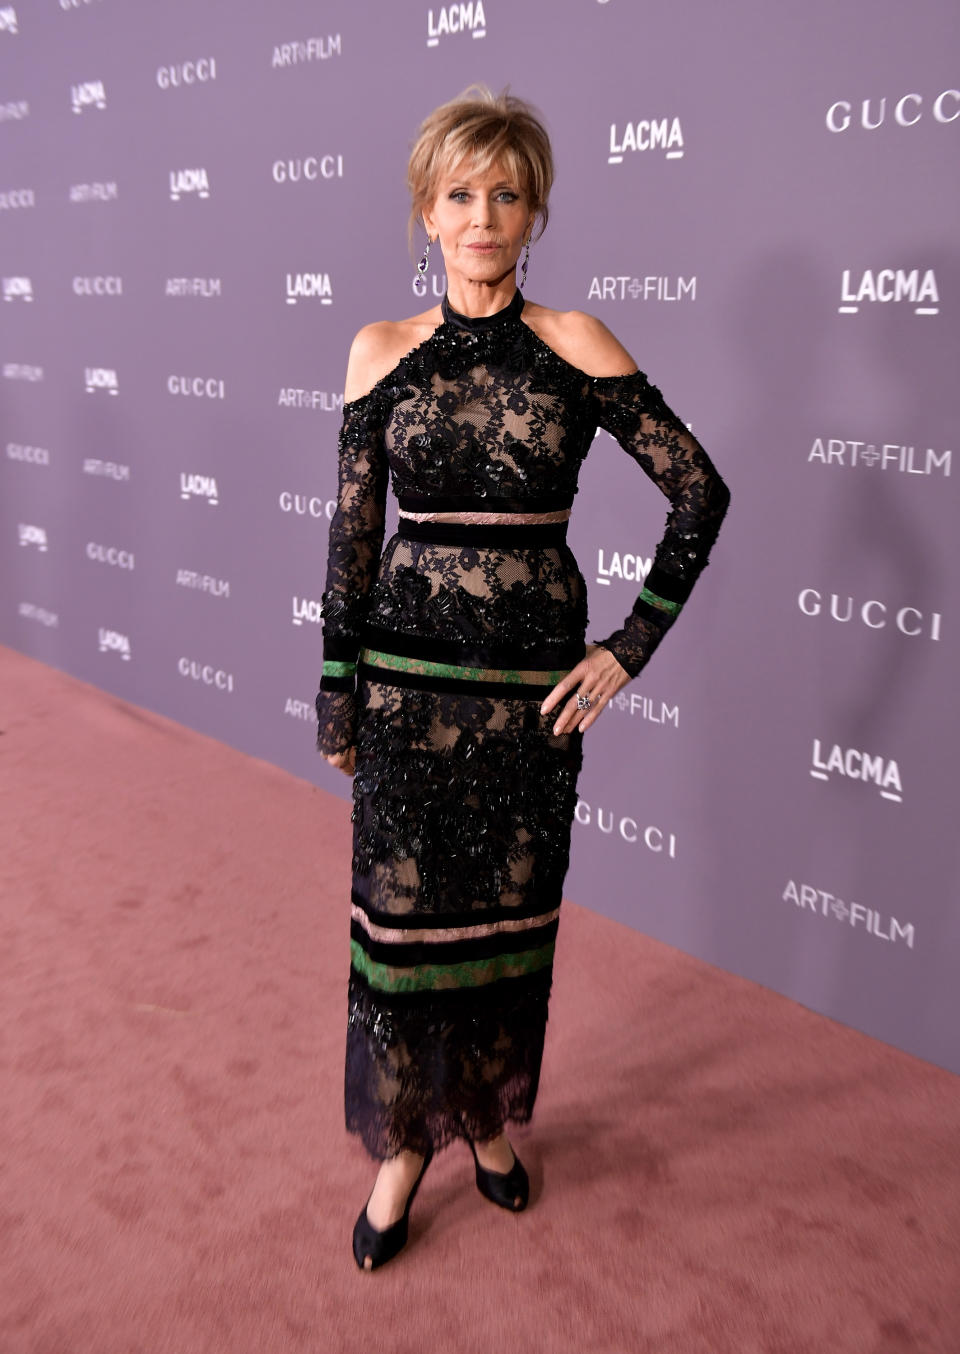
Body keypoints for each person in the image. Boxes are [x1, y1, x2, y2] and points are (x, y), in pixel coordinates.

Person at [315, 85, 730, 1272]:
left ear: (534, 209)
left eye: (506, 193)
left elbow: (700, 491)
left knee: (509, 924)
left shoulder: (576, 343)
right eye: (460, 195)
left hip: (531, 697)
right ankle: (403, 1152)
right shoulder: (378, 353)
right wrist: (337, 687)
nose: (483, 216)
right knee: (401, 930)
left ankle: (488, 1122)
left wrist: (628, 647)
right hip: (402, 688)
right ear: (426, 213)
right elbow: (348, 542)